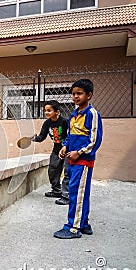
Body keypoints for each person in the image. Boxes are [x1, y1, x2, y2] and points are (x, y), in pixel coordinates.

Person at [54, 79, 103, 239]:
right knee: (80, 192)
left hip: (83, 161)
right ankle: (84, 223)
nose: (75, 96)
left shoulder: (92, 114)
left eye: (79, 93)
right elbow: (69, 136)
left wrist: (79, 152)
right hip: (73, 160)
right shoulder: (74, 115)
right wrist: (65, 147)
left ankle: (73, 227)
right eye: (73, 93)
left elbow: (95, 140)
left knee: (76, 192)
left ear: (89, 95)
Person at [31, 100, 69, 205]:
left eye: (49, 110)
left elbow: (70, 136)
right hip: (56, 149)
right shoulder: (47, 123)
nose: (46, 112)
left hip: (68, 149)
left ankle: (66, 196)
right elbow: (42, 137)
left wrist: (66, 147)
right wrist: (34, 139)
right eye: (45, 110)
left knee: (67, 173)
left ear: (56, 111)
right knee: (53, 170)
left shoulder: (65, 121)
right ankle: (56, 191)